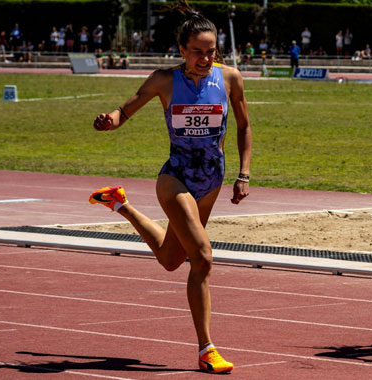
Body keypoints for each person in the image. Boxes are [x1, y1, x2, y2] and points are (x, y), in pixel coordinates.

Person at [89, 0, 252, 373]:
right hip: (175, 178)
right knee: (204, 257)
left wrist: (244, 174)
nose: (205, 58)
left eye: (211, 51)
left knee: (170, 259)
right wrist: (109, 122)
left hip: (211, 180)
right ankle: (206, 349)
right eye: (197, 52)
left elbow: (244, 126)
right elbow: (125, 110)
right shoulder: (164, 79)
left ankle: (119, 204)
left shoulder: (229, 78)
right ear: (182, 50)